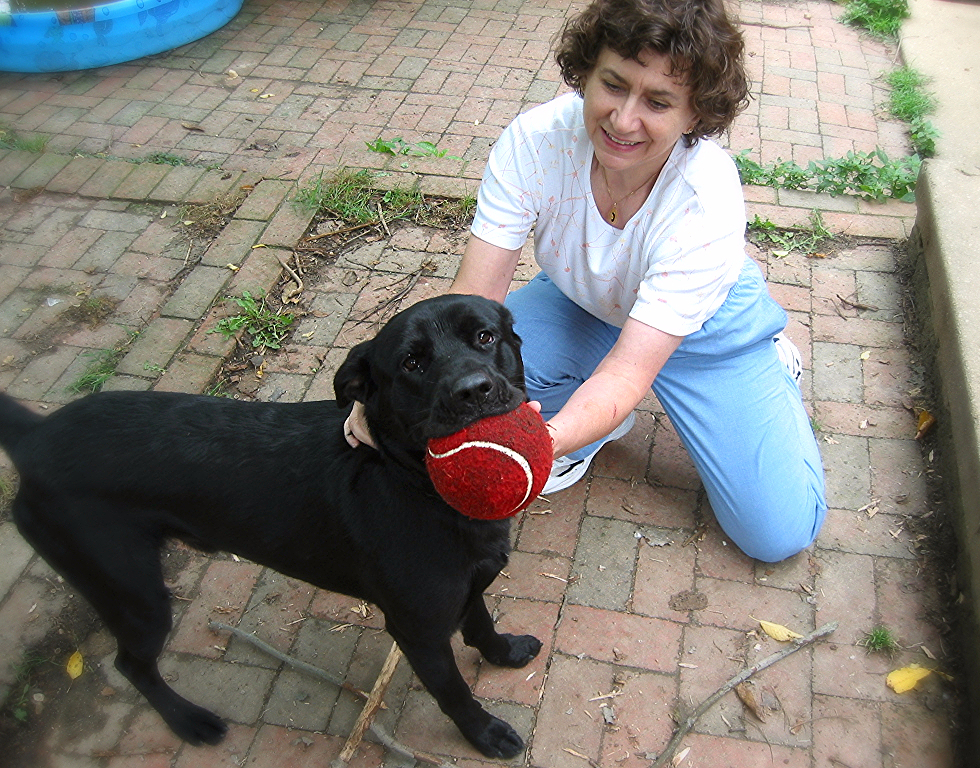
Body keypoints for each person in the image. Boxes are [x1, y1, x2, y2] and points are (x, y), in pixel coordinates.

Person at [347, 0, 826, 563]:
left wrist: (536, 444)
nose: (623, 120)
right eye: (613, 85)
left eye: (658, 101)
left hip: (709, 333)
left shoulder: (705, 201)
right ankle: (592, 428)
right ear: (585, 74)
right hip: (584, 303)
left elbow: (627, 374)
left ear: (695, 114)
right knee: (480, 381)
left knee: (778, 534)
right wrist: (394, 402)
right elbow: (471, 307)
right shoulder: (535, 141)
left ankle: (768, 364)